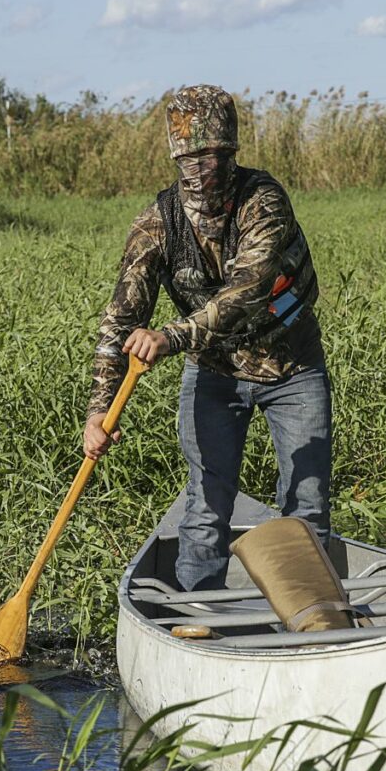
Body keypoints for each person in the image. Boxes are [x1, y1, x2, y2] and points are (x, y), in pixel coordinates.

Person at [84, 84, 332, 592]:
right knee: (206, 504)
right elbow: (119, 321)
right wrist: (98, 411)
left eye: (217, 154)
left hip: (292, 368)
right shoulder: (156, 225)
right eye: (193, 156)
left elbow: (249, 289)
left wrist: (172, 336)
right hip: (213, 375)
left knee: (306, 504)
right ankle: (200, 620)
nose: (206, 167)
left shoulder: (262, 200)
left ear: (233, 151)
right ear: (177, 157)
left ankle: (312, 626)